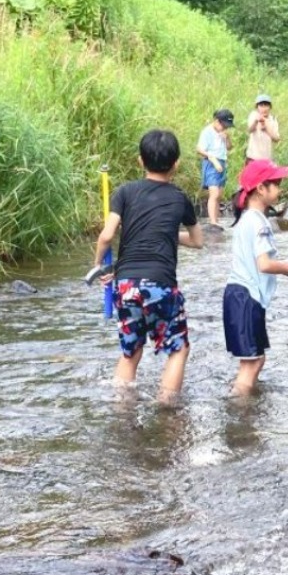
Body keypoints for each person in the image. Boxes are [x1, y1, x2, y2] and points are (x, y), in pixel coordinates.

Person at [94, 129, 204, 402]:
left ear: (140, 161)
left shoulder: (125, 192)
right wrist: (166, 234)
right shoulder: (180, 198)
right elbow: (197, 240)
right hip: (161, 283)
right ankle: (167, 408)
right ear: (176, 163)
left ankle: (122, 412)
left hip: (126, 283)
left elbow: (107, 236)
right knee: (178, 349)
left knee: (130, 351)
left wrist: (99, 266)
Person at [222, 159, 288, 394]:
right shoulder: (259, 223)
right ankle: (240, 416)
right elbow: (264, 264)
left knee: (254, 361)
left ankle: (244, 408)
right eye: (276, 184)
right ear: (261, 188)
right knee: (252, 364)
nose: (280, 189)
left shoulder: (247, 219)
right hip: (246, 297)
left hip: (239, 295)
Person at [197, 109, 235, 226]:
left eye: (227, 127)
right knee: (214, 194)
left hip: (222, 162)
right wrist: (212, 159)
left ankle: (216, 220)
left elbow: (229, 147)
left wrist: (227, 138)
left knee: (219, 195)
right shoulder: (207, 132)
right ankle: (213, 222)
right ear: (217, 121)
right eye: (223, 125)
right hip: (211, 163)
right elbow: (199, 149)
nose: (225, 128)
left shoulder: (224, 133)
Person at [245, 93, 281, 163]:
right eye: (261, 105)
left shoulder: (273, 119)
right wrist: (256, 121)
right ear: (257, 107)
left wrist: (266, 129)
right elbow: (250, 130)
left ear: (270, 107)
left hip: (267, 158)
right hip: (252, 157)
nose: (264, 108)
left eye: (266, 105)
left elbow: (277, 139)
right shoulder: (253, 115)